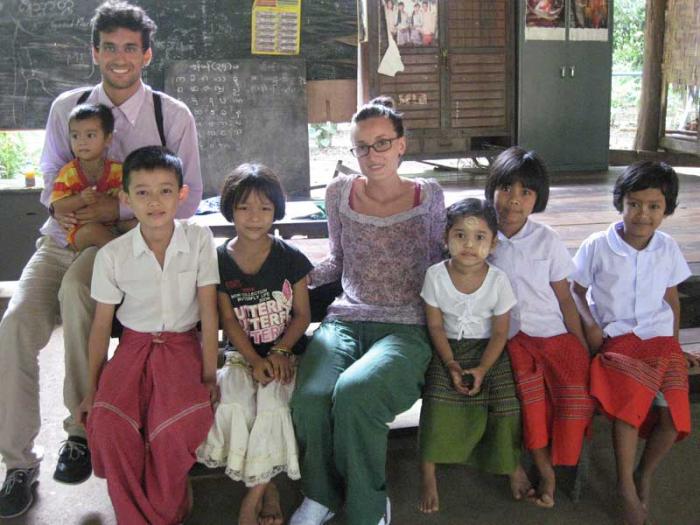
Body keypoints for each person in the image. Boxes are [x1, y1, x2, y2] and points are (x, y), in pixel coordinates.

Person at [0, 1, 201, 519]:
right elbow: (49, 184)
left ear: (146, 55)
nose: (119, 57)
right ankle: (18, 463)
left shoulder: (170, 115)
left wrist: (111, 207)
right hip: (60, 238)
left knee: (78, 297)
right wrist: (78, 211)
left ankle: (79, 431)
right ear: (95, 52)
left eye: (129, 48)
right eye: (109, 47)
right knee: (16, 323)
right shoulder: (68, 107)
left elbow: (192, 197)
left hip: (122, 243)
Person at [289, 96, 445, 525]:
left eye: (382, 143)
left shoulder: (428, 195)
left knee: (357, 394)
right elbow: (338, 260)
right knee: (311, 398)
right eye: (362, 146)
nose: (371, 155)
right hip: (346, 319)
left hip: (408, 325)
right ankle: (319, 494)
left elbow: (438, 265)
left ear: (401, 146)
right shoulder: (339, 191)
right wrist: (296, 281)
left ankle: (368, 506)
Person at [78, 146, 217, 525]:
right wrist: (92, 388)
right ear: (125, 198)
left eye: (165, 191)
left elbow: (207, 311)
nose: (154, 202)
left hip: (182, 346)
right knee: (109, 427)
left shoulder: (199, 240)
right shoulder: (113, 256)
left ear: (182, 194)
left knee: (174, 429)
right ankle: (135, 516)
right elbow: (101, 327)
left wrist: (209, 373)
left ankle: (166, 507)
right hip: (133, 349)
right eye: (142, 192)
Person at [570, 161, 696, 525]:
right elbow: (576, 290)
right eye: (634, 204)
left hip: (659, 340)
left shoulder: (667, 247)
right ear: (620, 203)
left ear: (667, 209)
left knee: (673, 419)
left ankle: (645, 472)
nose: (643, 214)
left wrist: (673, 344)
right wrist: (592, 327)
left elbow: (671, 298)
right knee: (630, 406)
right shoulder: (598, 245)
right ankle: (625, 486)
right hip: (618, 340)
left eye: (654, 206)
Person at [196, 164, 312, 525]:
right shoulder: (217, 259)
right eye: (244, 207)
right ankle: (270, 484)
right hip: (240, 357)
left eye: (264, 208)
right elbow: (228, 320)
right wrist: (251, 358)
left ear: (276, 210)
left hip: (285, 355)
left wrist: (280, 351)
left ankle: (257, 492)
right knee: (235, 403)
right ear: (229, 209)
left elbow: (302, 316)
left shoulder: (290, 257)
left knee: (273, 405)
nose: (254, 217)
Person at [485, 146, 595, 508]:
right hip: (511, 339)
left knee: (575, 388)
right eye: (506, 188)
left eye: (525, 193)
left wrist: (580, 345)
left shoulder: (546, 240)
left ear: (537, 200)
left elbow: (564, 298)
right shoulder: (481, 237)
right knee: (527, 392)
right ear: (492, 189)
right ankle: (545, 469)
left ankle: (560, 460)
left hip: (553, 334)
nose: (513, 201)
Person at [418, 198, 521, 514]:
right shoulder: (435, 276)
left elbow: (501, 332)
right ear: (446, 238)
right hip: (447, 347)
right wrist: (450, 363)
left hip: (488, 350)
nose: (469, 244)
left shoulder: (498, 280)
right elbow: (434, 325)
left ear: (492, 244)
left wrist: (482, 368)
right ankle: (428, 475)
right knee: (436, 401)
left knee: (506, 404)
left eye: (480, 237)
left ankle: (511, 466)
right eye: (460, 235)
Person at [50, 103, 134, 251]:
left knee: (138, 225)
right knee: (93, 231)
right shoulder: (68, 174)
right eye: (75, 136)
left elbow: (134, 198)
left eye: (90, 135)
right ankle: (124, 257)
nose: (82, 142)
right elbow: (57, 207)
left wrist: (120, 196)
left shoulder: (119, 170)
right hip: (82, 231)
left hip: (115, 224)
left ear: (108, 139)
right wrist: (80, 199)